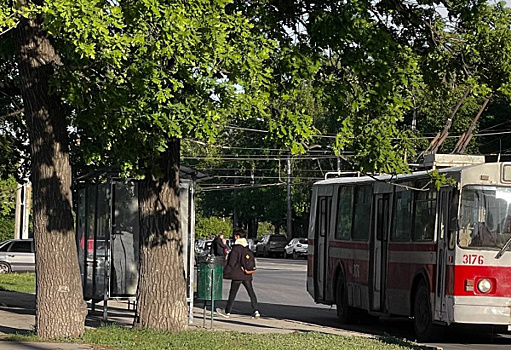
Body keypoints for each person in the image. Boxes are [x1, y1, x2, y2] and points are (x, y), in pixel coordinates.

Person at [216, 228, 260, 319]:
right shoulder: (246, 247)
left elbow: (232, 262)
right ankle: (256, 311)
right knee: (251, 292)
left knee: (232, 293)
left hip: (237, 274)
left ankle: (227, 312)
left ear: (237, 237)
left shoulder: (236, 248)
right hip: (247, 274)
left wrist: (225, 272)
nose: (234, 237)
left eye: (235, 236)